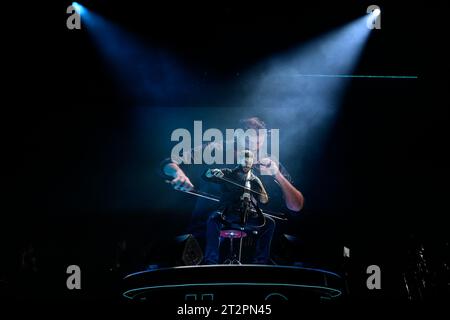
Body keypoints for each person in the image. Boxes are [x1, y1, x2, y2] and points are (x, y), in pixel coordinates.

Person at [160, 117, 304, 263]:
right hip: (206, 233)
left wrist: (278, 175)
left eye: (258, 143)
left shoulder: (268, 163)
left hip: (251, 237)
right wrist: (178, 173)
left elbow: (296, 206)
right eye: (247, 141)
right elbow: (169, 162)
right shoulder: (214, 150)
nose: (252, 150)